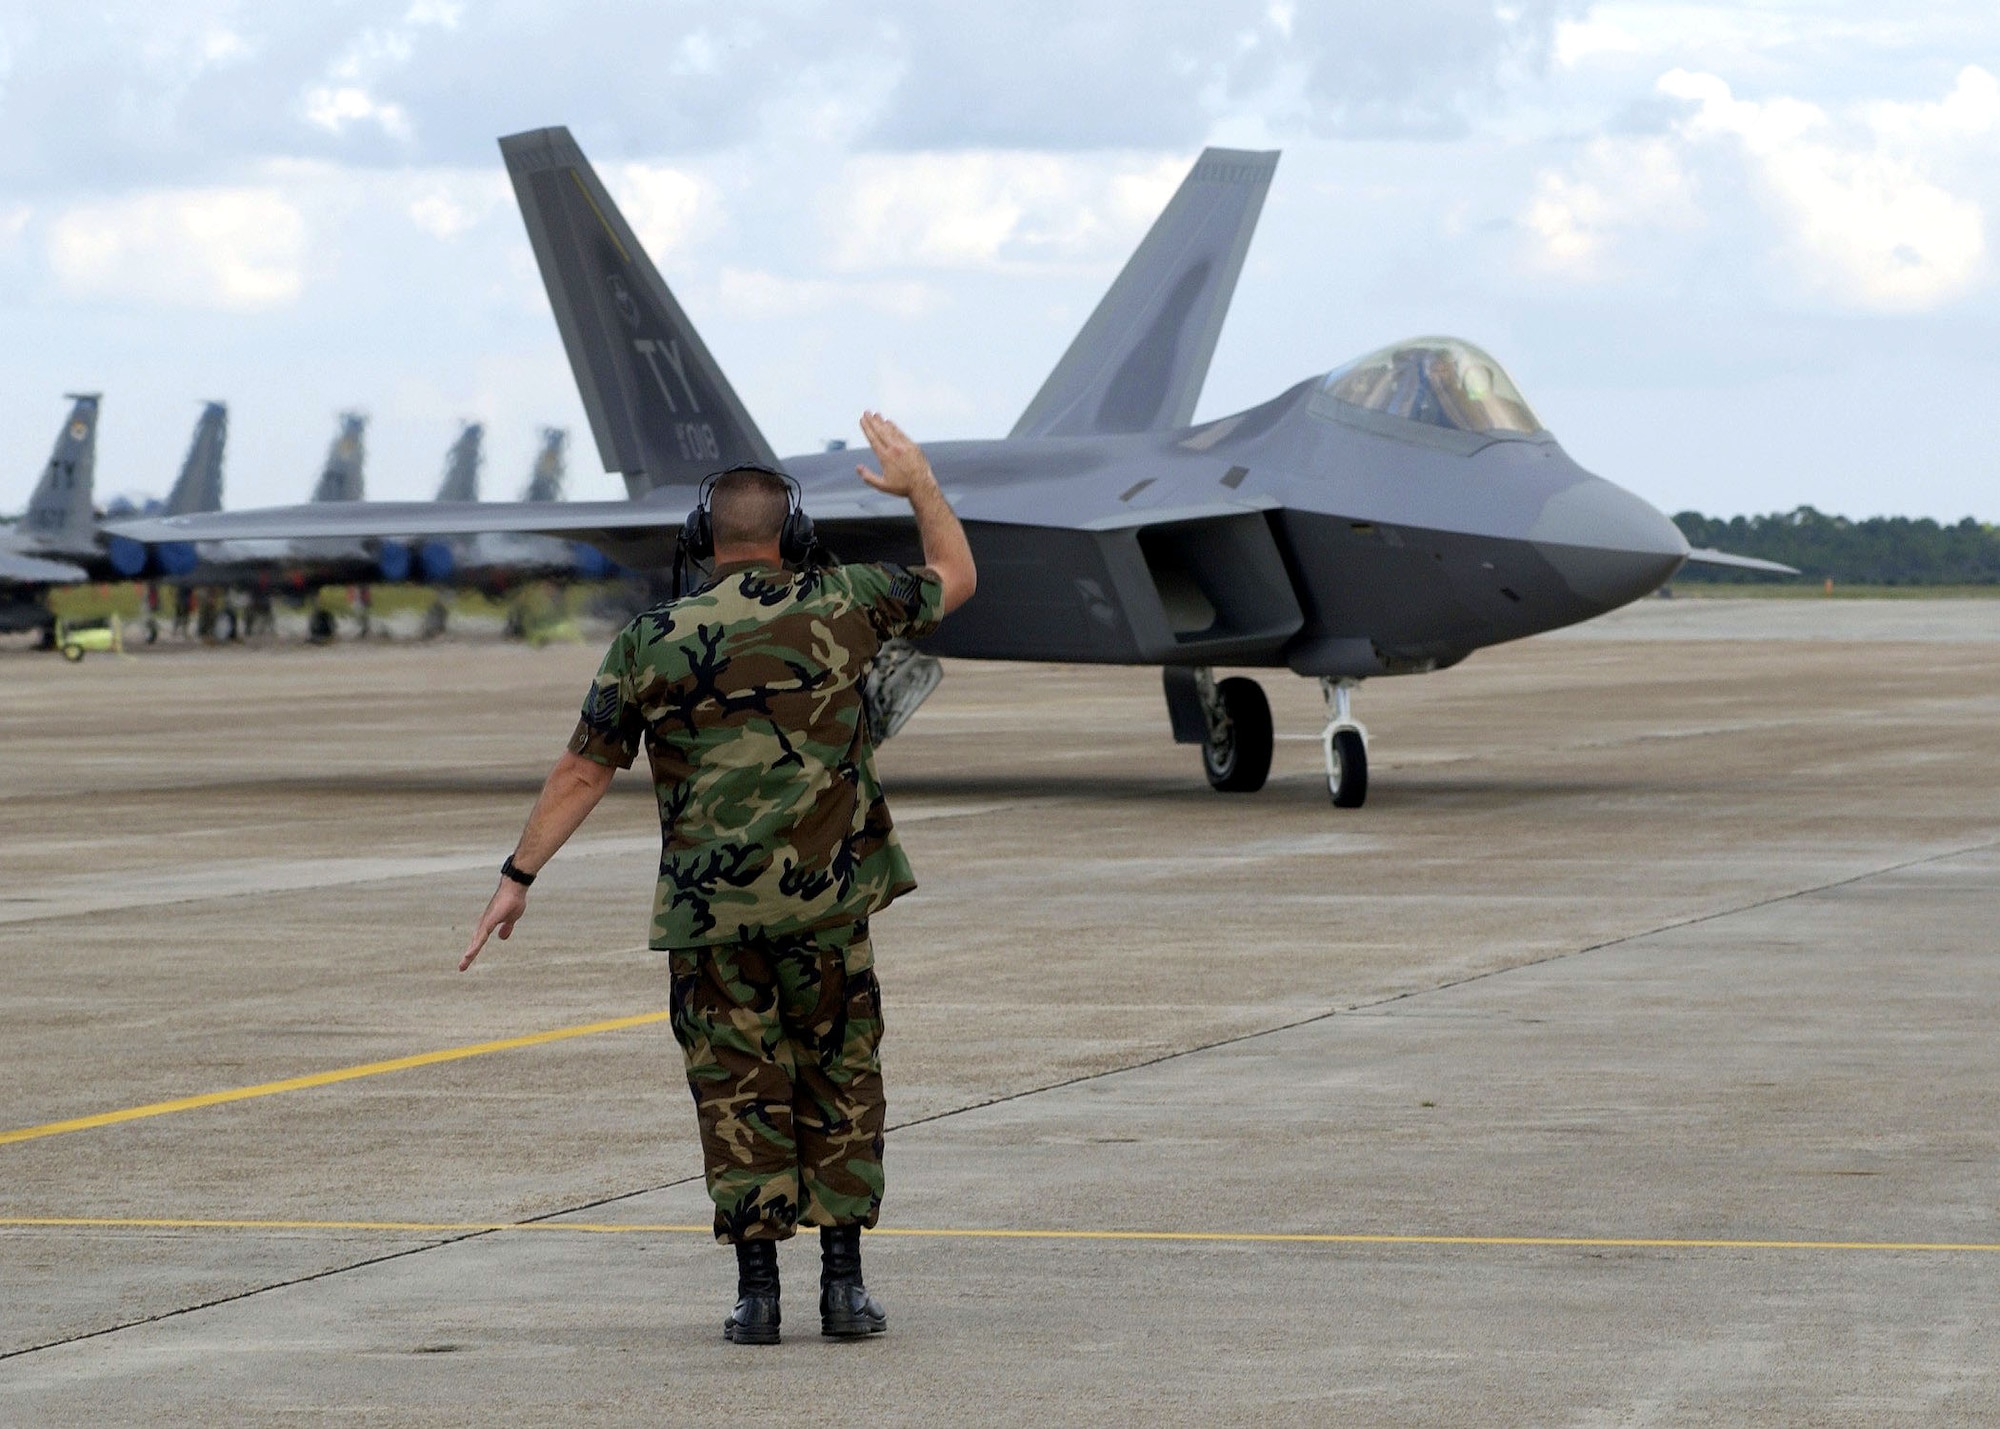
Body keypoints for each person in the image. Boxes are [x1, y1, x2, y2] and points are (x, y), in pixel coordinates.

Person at [459, 411, 976, 1346]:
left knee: (736, 1091)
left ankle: (758, 1296)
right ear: (794, 536)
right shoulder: (848, 600)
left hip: (712, 922)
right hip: (826, 912)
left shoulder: (653, 639)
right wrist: (920, 486)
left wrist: (517, 874)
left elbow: (582, 770)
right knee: (841, 1078)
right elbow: (956, 578)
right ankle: (846, 1290)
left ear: (703, 542)